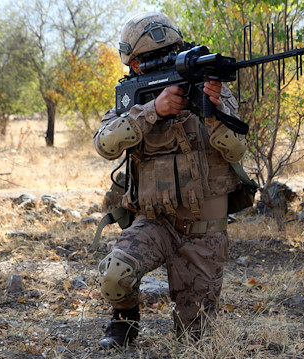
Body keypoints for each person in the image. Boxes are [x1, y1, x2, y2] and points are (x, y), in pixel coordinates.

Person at [92, 12, 247, 349]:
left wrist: (214, 110)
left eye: (169, 54)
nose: (160, 63)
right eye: (147, 60)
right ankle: (124, 324)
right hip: (155, 223)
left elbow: (236, 150)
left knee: (194, 343)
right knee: (114, 273)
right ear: (134, 67)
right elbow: (104, 144)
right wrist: (153, 111)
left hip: (203, 234)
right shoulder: (133, 99)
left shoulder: (210, 89)